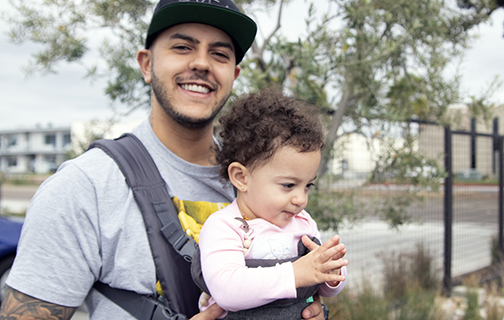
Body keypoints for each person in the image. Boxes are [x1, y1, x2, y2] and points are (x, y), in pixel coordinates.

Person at [0, 0, 331, 319]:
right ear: (146, 64)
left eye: (219, 54)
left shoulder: (271, 176)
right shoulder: (83, 188)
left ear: (234, 74)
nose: (202, 63)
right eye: (182, 47)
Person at [193, 90, 348, 319]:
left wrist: (331, 274)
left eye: (308, 186)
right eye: (288, 185)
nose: (301, 199)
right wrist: (296, 274)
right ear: (241, 177)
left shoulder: (303, 223)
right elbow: (227, 290)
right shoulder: (224, 227)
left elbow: (322, 287)